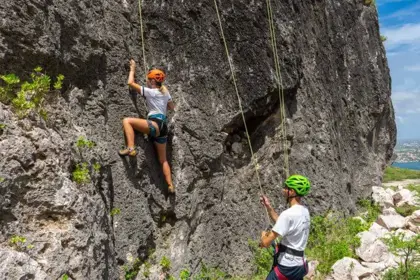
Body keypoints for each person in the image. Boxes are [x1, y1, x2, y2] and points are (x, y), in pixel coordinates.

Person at [119, 59, 176, 194]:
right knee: (163, 160)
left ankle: (131, 148)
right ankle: (170, 185)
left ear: (152, 81)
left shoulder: (152, 92)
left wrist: (132, 68)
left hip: (154, 123)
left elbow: (130, 83)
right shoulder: (165, 92)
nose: (147, 82)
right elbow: (172, 107)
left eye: (148, 80)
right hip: (163, 128)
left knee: (127, 121)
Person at [259, 175, 311, 280]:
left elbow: (265, 243)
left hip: (287, 267)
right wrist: (268, 207)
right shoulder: (305, 211)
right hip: (300, 265)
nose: (283, 190)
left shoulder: (288, 214)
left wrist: (263, 236)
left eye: (286, 188)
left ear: (292, 192)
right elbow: (283, 224)